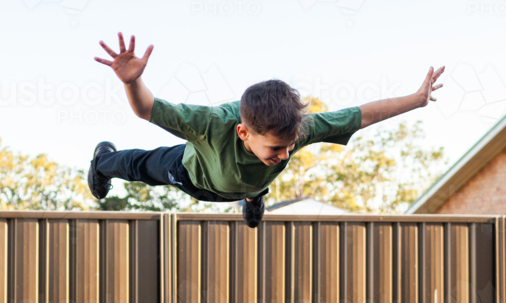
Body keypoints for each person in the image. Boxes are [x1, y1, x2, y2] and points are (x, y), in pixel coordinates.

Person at [88, 33, 445, 228]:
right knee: (140, 167)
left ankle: (253, 194)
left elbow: (361, 115)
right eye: (276, 148)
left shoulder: (298, 130)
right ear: (243, 133)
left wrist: (417, 99)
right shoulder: (210, 125)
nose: (285, 154)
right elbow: (147, 109)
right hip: (193, 174)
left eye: (290, 146)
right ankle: (102, 162)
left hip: (241, 181)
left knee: (261, 176)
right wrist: (133, 82)